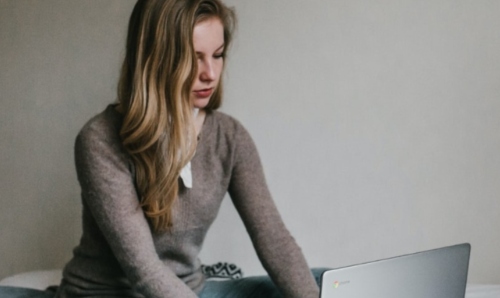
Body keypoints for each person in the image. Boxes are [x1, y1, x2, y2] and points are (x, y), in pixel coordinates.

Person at [0, 0, 326, 297]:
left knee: (324, 281)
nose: (210, 74)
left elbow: (275, 241)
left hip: (189, 291)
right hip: (111, 293)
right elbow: (145, 271)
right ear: (156, 59)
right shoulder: (99, 139)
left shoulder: (230, 137)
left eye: (218, 54)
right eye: (192, 57)